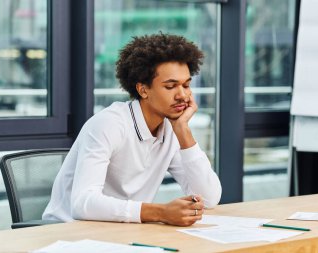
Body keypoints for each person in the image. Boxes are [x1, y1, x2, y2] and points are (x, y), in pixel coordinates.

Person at [42, 33, 222, 226]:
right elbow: (83, 203)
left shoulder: (172, 128)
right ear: (143, 90)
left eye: (186, 85)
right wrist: (161, 212)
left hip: (121, 232)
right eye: (171, 86)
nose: (183, 95)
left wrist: (184, 132)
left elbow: (209, 198)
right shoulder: (109, 124)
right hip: (66, 232)